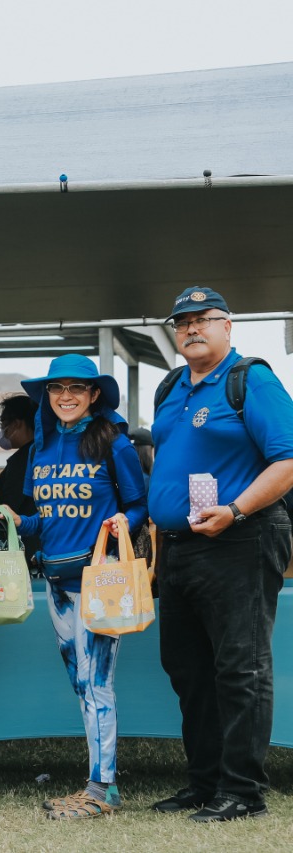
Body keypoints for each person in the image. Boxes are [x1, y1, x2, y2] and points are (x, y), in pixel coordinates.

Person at [148, 287, 293, 822]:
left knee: (240, 669)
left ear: (227, 326)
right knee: (188, 668)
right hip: (181, 547)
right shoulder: (170, 387)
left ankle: (244, 793)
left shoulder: (249, 379)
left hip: (240, 539)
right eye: (181, 321)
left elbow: (289, 460)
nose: (190, 328)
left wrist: (234, 508)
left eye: (202, 319)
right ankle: (206, 783)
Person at [0, 354, 147, 820]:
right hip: (56, 583)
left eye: (77, 388)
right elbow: (44, 520)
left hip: (97, 582)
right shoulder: (40, 448)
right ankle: (102, 783)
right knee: (81, 686)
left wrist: (127, 518)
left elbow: (140, 505)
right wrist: (13, 521)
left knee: (96, 683)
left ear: (94, 395)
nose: (65, 396)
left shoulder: (113, 443)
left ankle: (101, 787)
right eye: (57, 388)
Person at [0, 395, 40, 563]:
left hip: (27, 548)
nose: (2, 430)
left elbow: (6, 506)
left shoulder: (21, 461)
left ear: (17, 423)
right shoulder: (44, 454)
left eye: (3, 423)